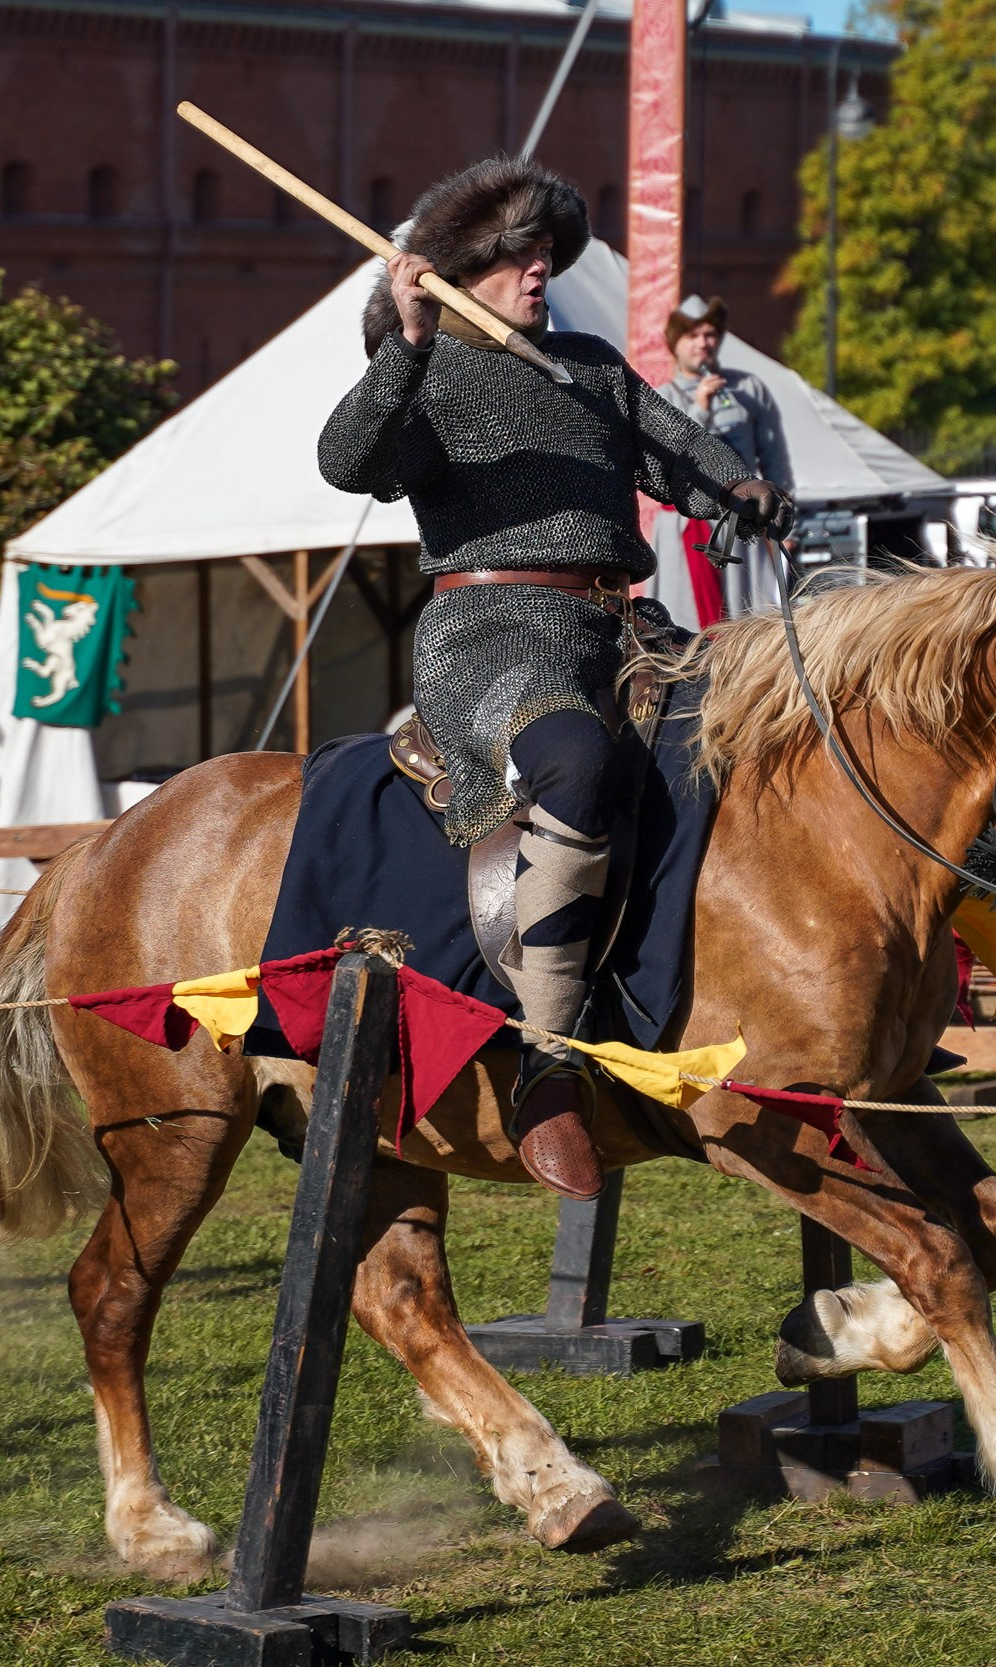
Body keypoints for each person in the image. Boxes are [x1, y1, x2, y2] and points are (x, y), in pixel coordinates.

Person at [317, 158, 793, 1201]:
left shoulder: (593, 368)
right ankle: (547, 1062)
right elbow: (348, 461)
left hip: (628, 632)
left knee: (771, 739)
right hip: (490, 636)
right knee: (571, 760)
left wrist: (742, 496)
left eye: (546, 257)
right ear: (467, 269)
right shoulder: (426, 369)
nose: (541, 273)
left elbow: (693, 460)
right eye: (519, 259)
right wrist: (402, 343)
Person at [649, 295, 795, 630]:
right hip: (684, 528)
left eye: (710, 335)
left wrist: (785, 520)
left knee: (747, 620)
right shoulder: (662, 398)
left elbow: (775, 460)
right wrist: (700, 408)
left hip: (742, 519)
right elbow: (668, 461)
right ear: (675, 343)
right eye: (692, 335)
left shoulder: (748, 389)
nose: (703, 343)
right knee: (685, 628)